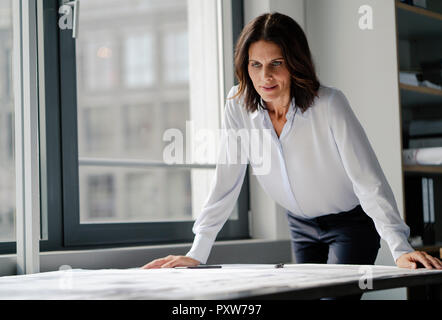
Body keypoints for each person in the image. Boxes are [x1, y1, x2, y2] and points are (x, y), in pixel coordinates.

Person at [142, 13, 442, 276]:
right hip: (299, 226)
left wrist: (400, 248)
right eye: (255, 64)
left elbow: (368, 180)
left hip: (349, 226)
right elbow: (227, 181)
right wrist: (197, 252)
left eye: (276, 63)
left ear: (296, 63)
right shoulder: (237, 104)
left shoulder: (330, 104)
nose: (265, 76)